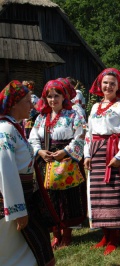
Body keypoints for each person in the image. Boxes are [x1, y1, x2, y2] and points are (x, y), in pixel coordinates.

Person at [84, 68, 120, 255]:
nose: (108, 86)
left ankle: (115, 237)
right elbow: (89, 133)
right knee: (99, 196)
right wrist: (86, 155)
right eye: (105, 83)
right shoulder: (95, 107)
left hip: (114, 154)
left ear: (118, 86)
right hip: (97, 154)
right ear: (100, 85)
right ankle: (105, 235)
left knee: (115, 195)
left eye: (112, 83)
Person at [0, 81, 55, 266]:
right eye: (26, 101)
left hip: (26, 200)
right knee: (19, 257)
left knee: (39, 253)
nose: (32, 106)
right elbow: (5, 170)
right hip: (14, 206)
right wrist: (18, 210)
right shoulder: (5, 130)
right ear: (13, 104)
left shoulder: (15, 127)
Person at [29, 79, 87, 249]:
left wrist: (66, 152)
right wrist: (39, 151)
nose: (53, 99)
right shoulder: (41, 117)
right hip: (46, 161)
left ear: (64, 97)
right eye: (49, 96)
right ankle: (55, 235)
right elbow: (33, 137)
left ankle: (67, 235)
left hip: (66, 161)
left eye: (56, 95)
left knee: (68, 198)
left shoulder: (73, 115)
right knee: (48, 198)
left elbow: (80, 136)